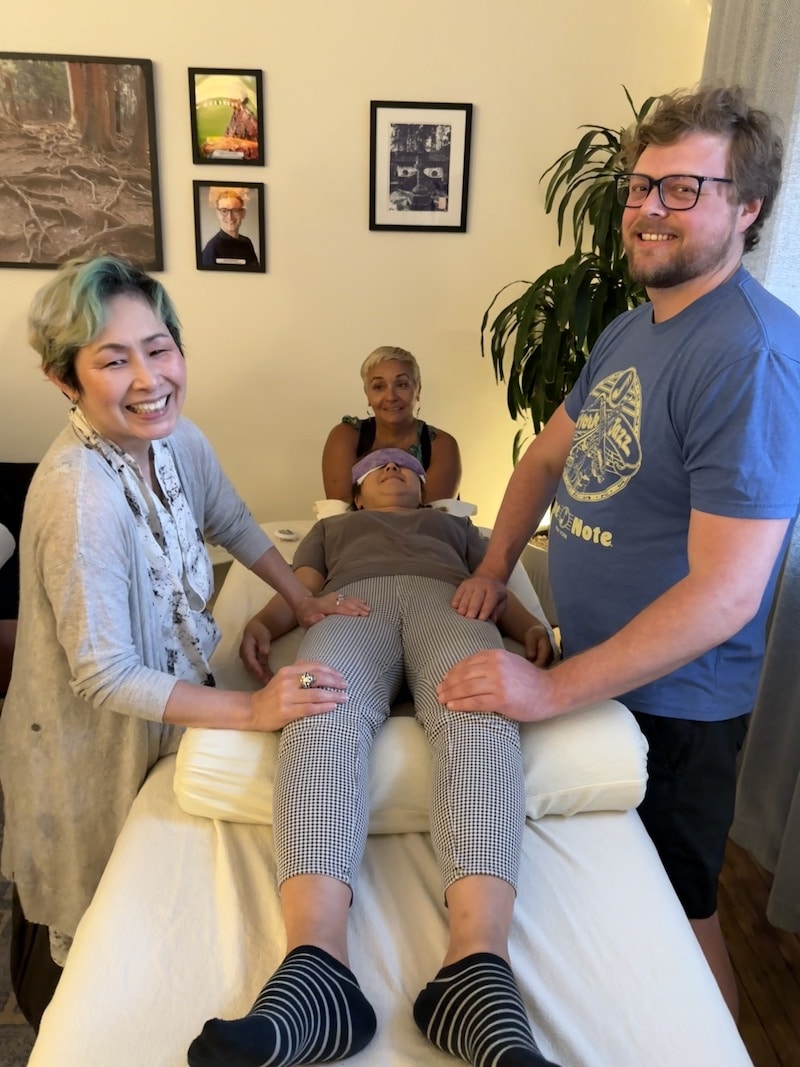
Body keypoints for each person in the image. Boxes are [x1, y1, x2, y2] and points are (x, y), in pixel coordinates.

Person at [440, 85, 800, 1019]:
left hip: (678, 709)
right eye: (641, 186)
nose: (648, 207)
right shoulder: (633, 328)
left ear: (748, 207)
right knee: (608, 909)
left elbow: (727, 594)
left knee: (678, 919)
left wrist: (552, 690)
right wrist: (492, 569)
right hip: (600, 672)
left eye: (683, 188)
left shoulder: (751, 357)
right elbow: (544, 459)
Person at [0, 254, 359, 1029]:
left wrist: (302, 599)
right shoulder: (79, 496)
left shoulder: (173, 438)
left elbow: (229, 517)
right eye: (113, 360)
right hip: (87, 746)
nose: (148, 379)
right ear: (64, 379)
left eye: (159, 349)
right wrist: (253, 709)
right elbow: (106, 674)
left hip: (169, 711)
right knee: (93, 937)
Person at [188, 448, 559, 1067]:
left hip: (453, 605)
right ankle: (317, 968)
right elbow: (303, 590)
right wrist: (262, 623)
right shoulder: (333, 529)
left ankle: (477, 970)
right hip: (349, 607)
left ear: (425, 488)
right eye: (375, 468)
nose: (391, 469)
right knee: (317, 709)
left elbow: (494, 582)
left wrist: (530, 628)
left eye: (404, 466)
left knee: (481, 714)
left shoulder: (456, 527)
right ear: (356, 494)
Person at [321, 345, 462, 502]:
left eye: (401, 385)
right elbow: (340, 509)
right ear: (367, 394)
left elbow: (432, 513)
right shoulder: (346, 437)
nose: (391, 397)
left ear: (418, 390)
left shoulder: (441, 445)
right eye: (379, 387)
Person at [200, 186, 260, 270]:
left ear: (243, 213)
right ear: (218, 214)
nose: (230, 217)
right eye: (224, 211)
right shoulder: (212, 249)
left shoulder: (247, 243)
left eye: (235, 210)